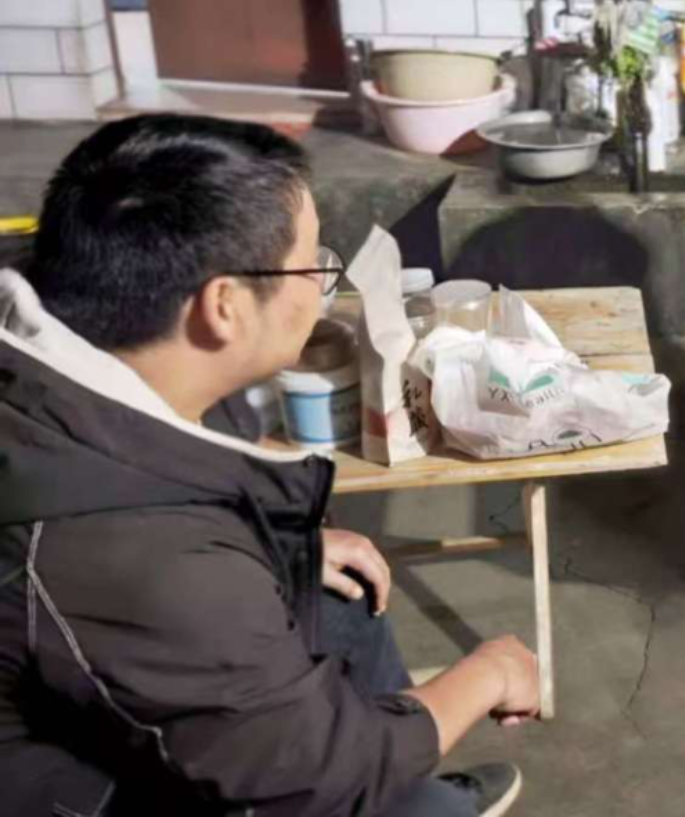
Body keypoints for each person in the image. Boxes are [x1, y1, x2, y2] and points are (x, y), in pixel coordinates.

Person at [0, 115, 536, 815]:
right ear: (223, 306)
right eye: (312, 266)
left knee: (340, 590)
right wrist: (491, 672)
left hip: (84, 669)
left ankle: (407, 785)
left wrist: (269, 542)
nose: (319, 288)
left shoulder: (59, 356)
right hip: (76, 794)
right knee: (355, 783)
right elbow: (311, 773)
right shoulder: (144, 558)